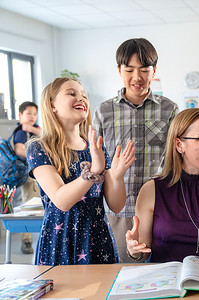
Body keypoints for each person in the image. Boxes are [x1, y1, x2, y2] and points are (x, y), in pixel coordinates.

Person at [27, 77, 136, 265]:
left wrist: (117, 177)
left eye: (84, 95)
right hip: (60, 243)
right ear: (52, 105)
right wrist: (94, 171)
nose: (81, 98)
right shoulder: (39, 148)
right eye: (72, 93)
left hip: (98, 241)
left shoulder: (95, 148)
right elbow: (62, 200)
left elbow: (116, 205)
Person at [93, 38, 178, 262]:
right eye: (129, 69)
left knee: (163, 273)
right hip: (118, 212)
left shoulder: (169, 109)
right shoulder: (103, 111)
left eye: (144, 69)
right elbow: (96, 162)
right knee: (124, 276)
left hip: (161, 210)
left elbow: (178, 159)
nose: (137, 77)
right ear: (119, 70)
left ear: (154, 71)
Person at [126, 108, 199, 264]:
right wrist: (134, 251)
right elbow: (142, 253)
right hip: (166, 283)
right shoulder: (151, 190)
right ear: (179, 144)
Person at [13, 101, 41, 254]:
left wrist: (33, 129)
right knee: (29, 205)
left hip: (35, 173)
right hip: (27, 175)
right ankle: (26, 240)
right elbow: (19, 149)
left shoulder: (33, 130)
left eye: (34, 114)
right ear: (20, 115)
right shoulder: (21, 132)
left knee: (36, 205)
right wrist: (36, 158)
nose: (32, 116)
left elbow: (49, 135)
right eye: (28, 113)